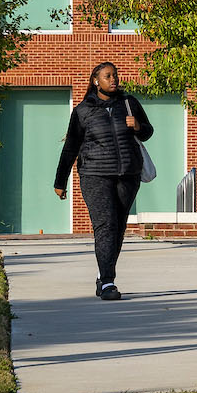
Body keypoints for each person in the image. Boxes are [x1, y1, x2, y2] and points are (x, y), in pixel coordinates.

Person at [53, 60, 152, 300]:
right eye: (108, 76)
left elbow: (147, 132)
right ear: (96, 81)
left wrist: (138, 125)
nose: (114, 79)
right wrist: (60, 180)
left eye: (115, 75)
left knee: (117, 228)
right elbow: (71, 147)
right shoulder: (83, 111)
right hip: (95, 175)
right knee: (105, 225)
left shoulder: (129, 104)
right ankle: (108, 282)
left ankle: (103, 275)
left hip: (128, 175)